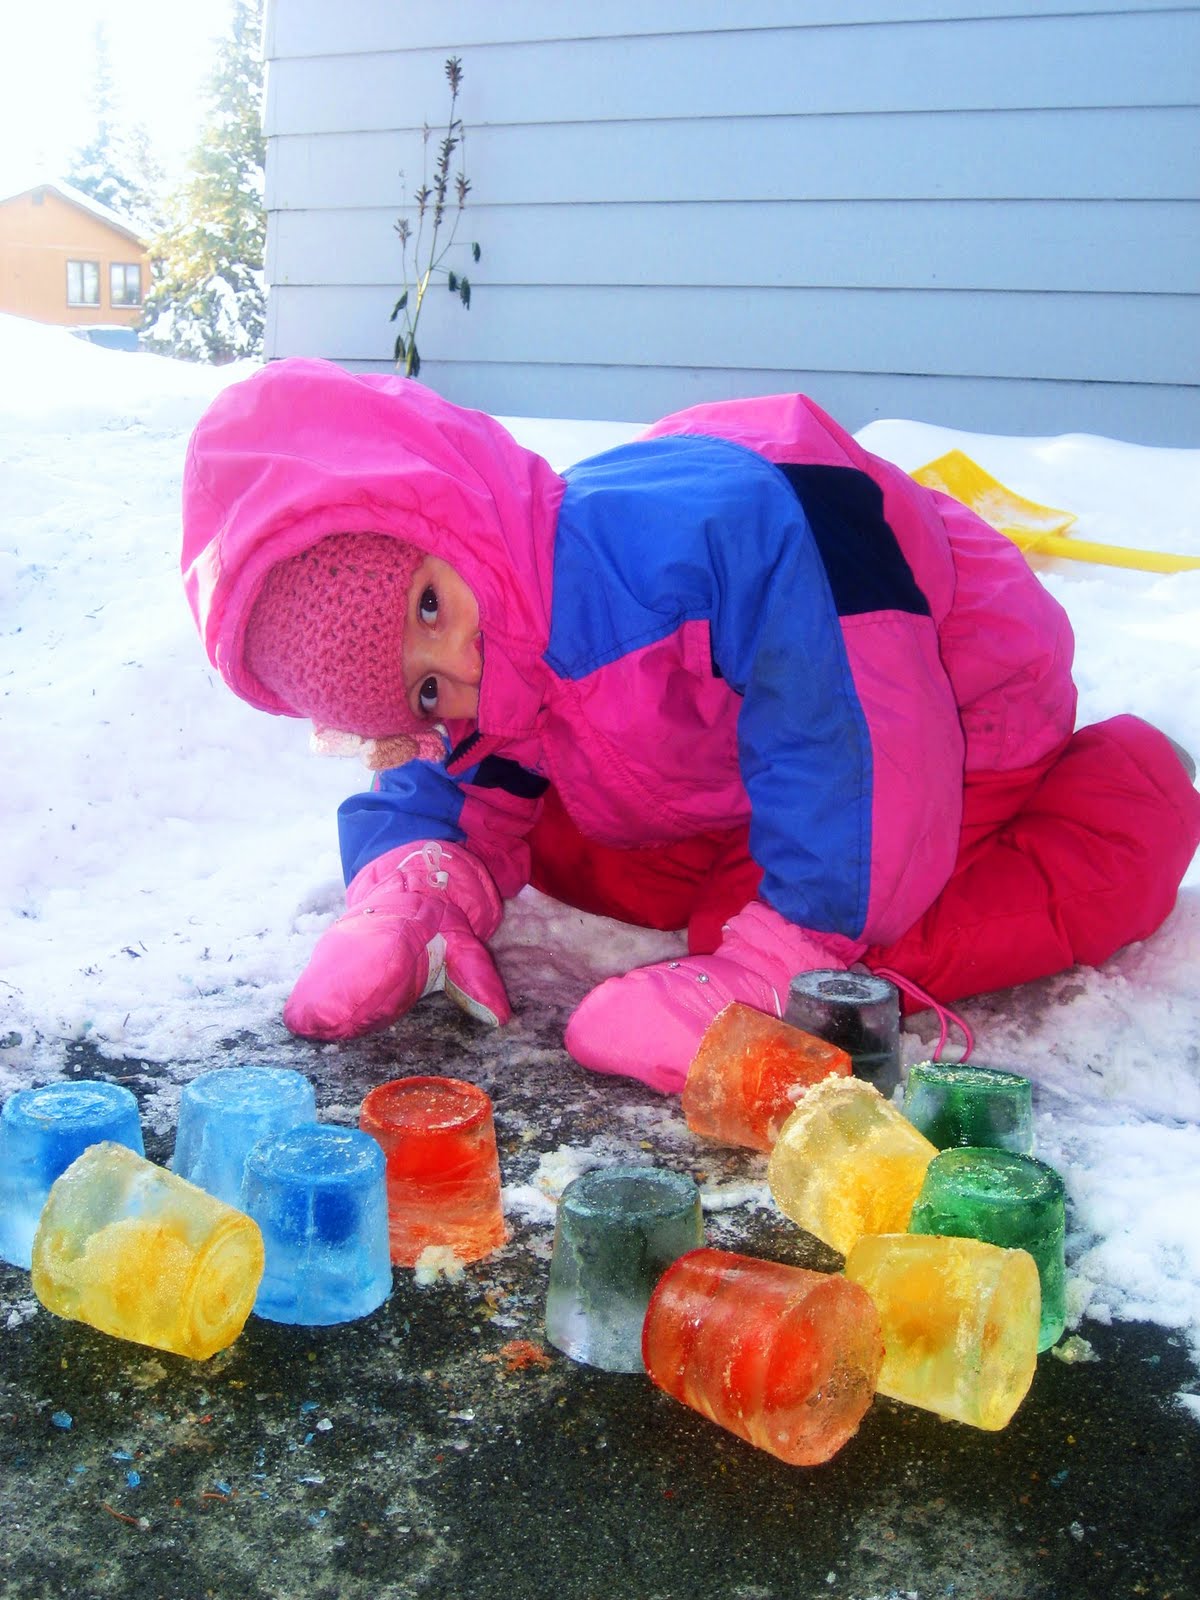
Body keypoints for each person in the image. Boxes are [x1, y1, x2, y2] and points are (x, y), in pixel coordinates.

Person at [181, 359, 1200, 1093]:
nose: (455, 667)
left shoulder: (694, 544)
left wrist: (772, 967)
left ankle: (1130, 796)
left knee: (785, 925)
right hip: (725, 756)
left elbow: (859, 729)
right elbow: (465, 765)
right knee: (582, 846)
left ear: (445, 523)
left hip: (949, 709)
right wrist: (411, 884)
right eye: (421, 691)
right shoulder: (498, 632)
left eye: (430, 611)